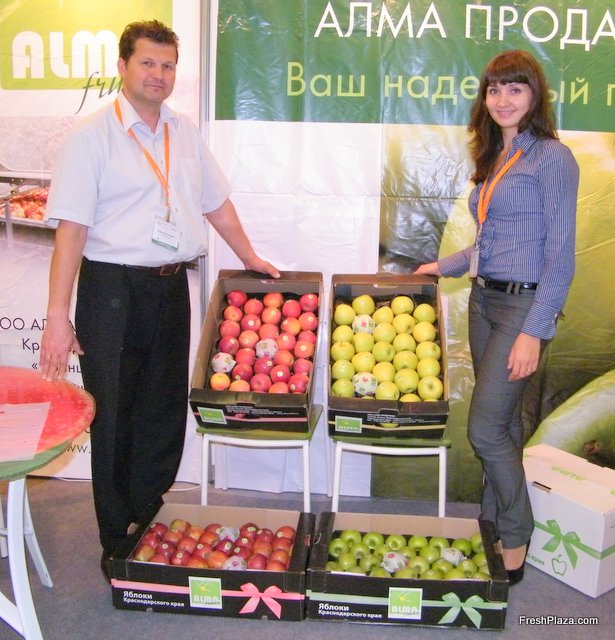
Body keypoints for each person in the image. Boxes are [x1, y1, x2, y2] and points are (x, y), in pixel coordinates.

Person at [39, 20, 279, 581]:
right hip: (112, 289)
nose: (158, 75)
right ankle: (114, 535)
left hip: (171, 287)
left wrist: (250, 256)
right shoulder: (91, 138)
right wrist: (57, 315)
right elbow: (71, 230)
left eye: (168, 65)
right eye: (148, 63)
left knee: (163, 409)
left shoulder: (183, 131)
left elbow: (216, 204)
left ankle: (147, 514)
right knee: (114, 413)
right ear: (122, 67)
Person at [415, 50, 579, 585]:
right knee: (503, 426)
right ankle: (491, 527)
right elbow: (491, 244)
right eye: (494, 89)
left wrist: (534, 329)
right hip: (483, 302)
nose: (503, 100)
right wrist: (440, 266)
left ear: (535, 95)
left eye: (515, 88)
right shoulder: (495, 159)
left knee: (484, 430)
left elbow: (560, 255)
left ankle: (516, 532)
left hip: (521, 308)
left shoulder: (552, 158)